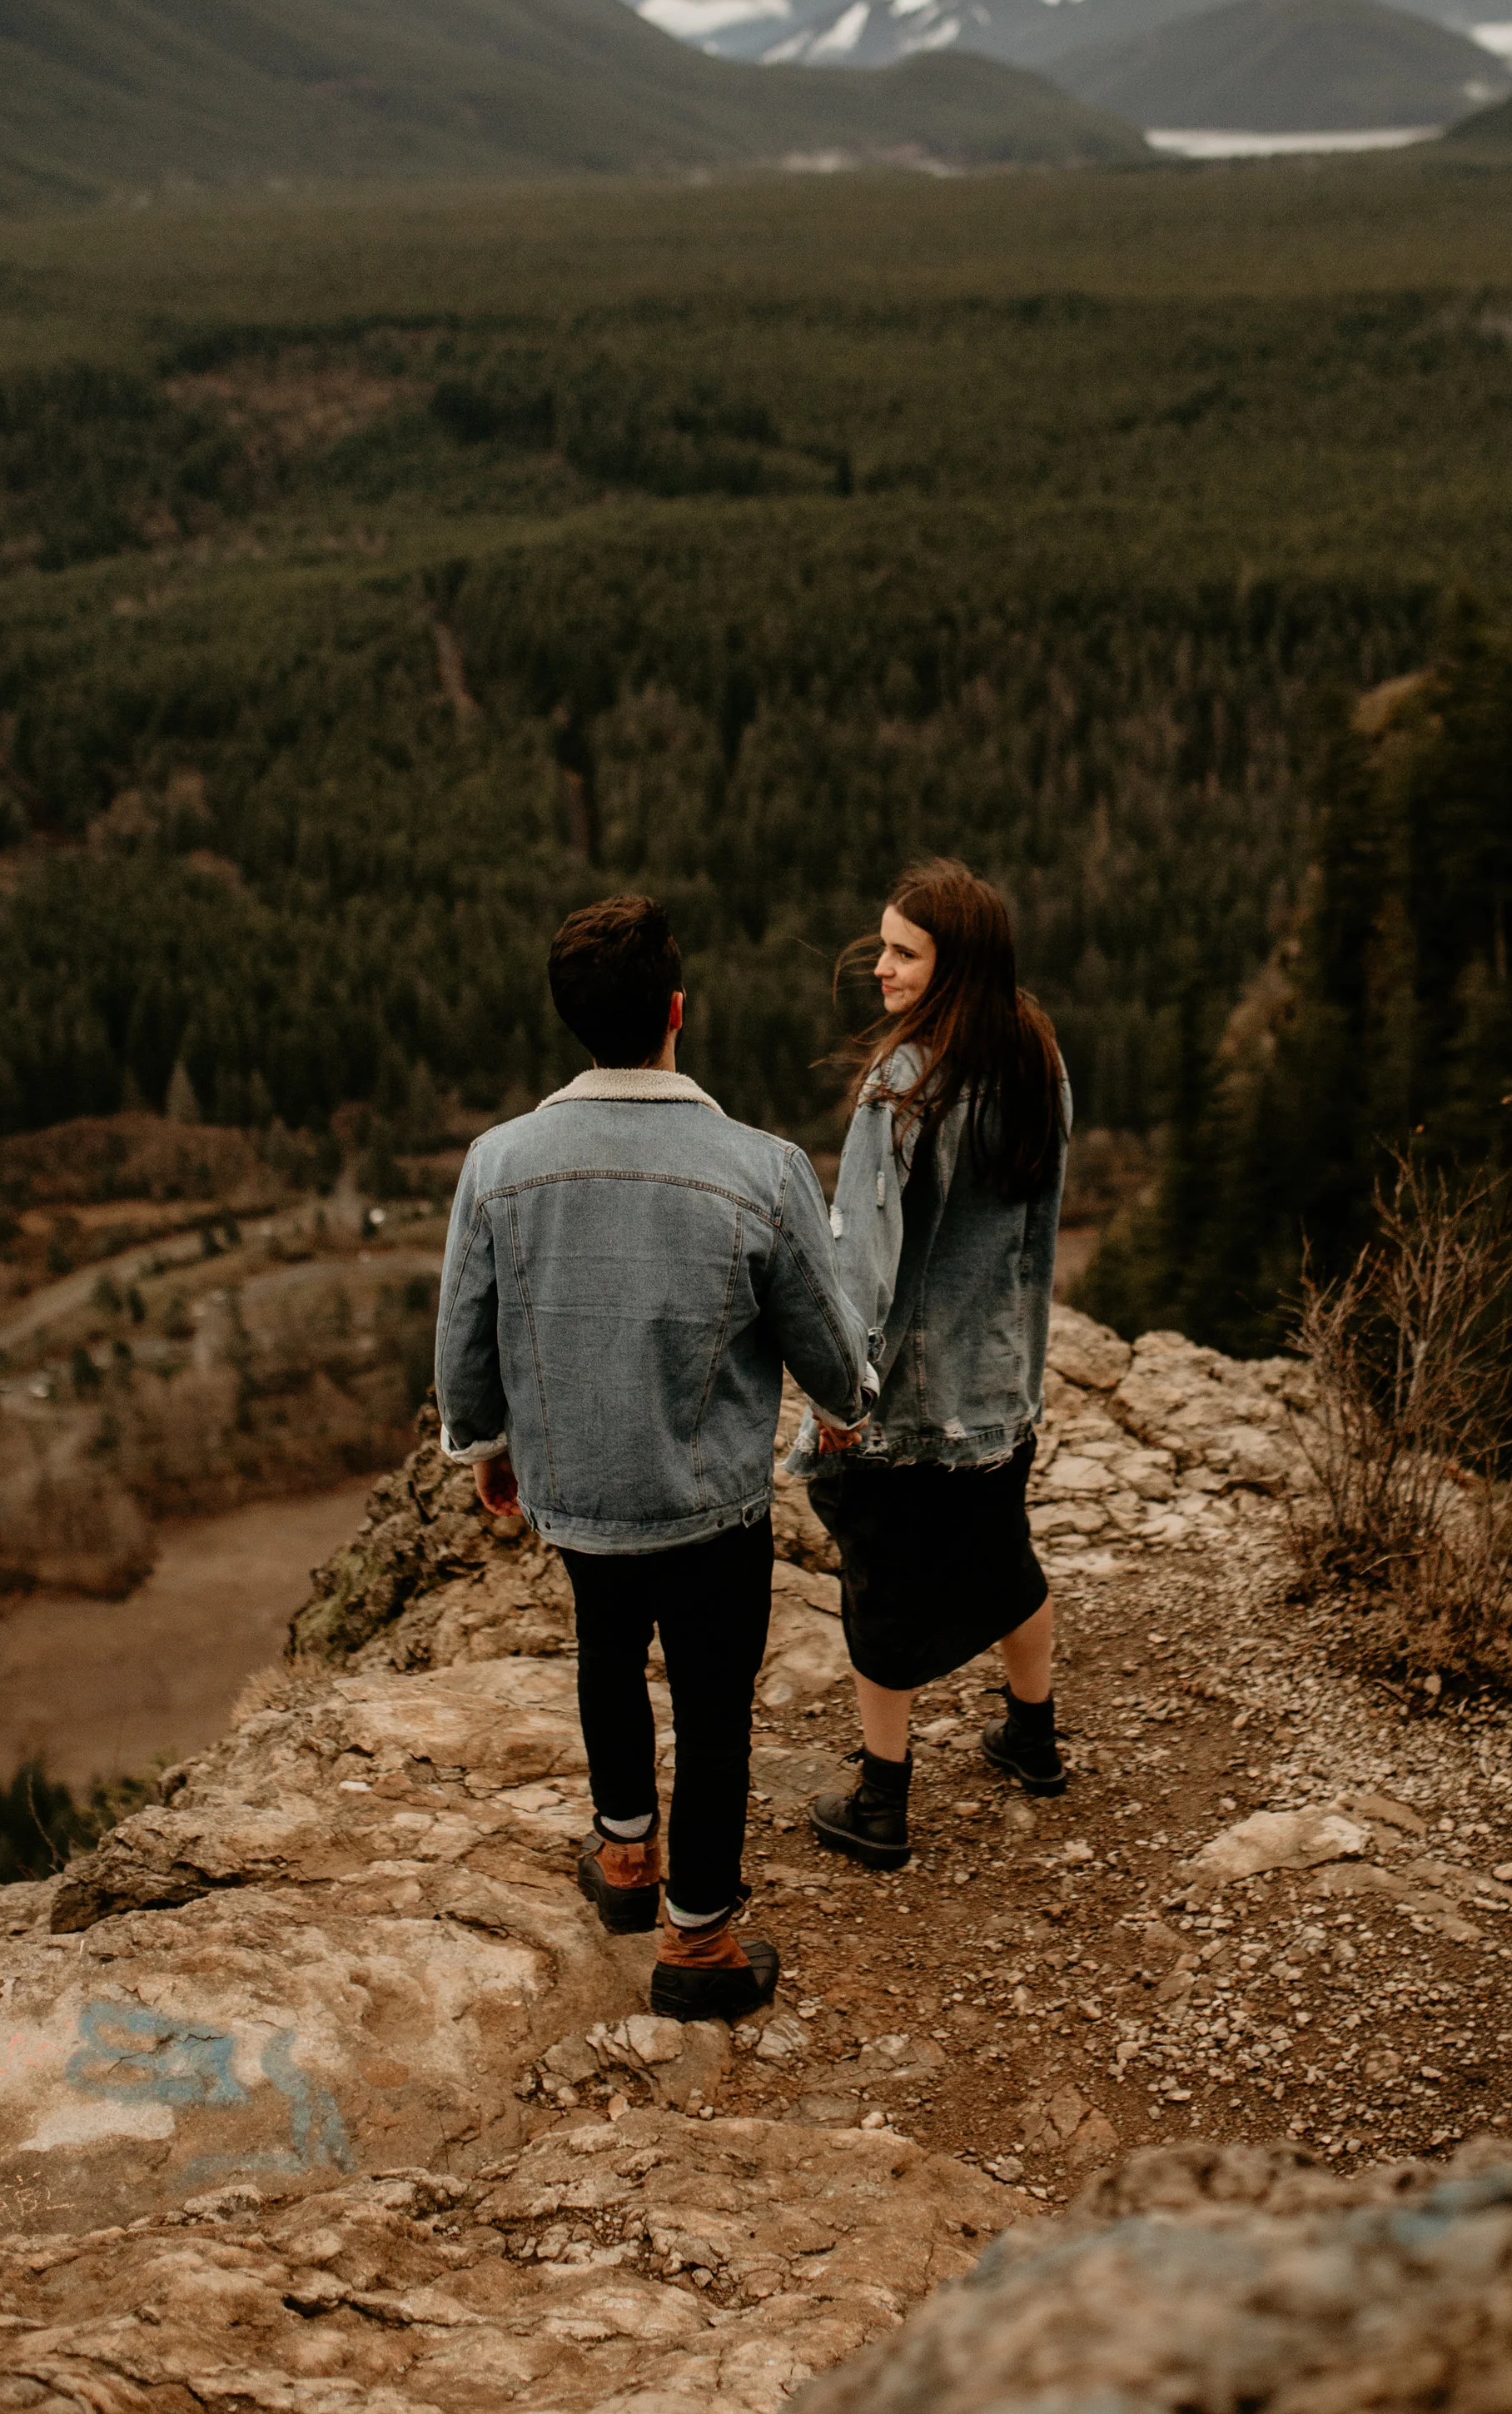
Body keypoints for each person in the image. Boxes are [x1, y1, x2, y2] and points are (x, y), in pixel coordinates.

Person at [434, 894, 873, 2019]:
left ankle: (626, 1857)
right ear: (678, 1010)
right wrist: (844, 1406)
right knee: (715, 1705)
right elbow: (821, 1333)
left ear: (571, 1021)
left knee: (605, 1653)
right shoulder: (761, 1166)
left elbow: (466, 1326)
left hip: (579, 1489)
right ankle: (699, 1944)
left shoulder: (499, 1161)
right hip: (711, 1500)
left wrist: (487, 1443)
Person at [795, 858, 1072, 1871]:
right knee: (1005, 1558)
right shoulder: (1039, 1062)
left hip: (908, 1400)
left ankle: (880, 1804)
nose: (881, 968)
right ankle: (1032, 1740)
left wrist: (839, 1392)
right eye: (882, 946)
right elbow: (1038, 1235)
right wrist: (1022, 1360)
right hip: (999, 1384)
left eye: (906, 953)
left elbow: (859, 1264)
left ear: (955, 967)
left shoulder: (901, 1086)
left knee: (881, 1591)